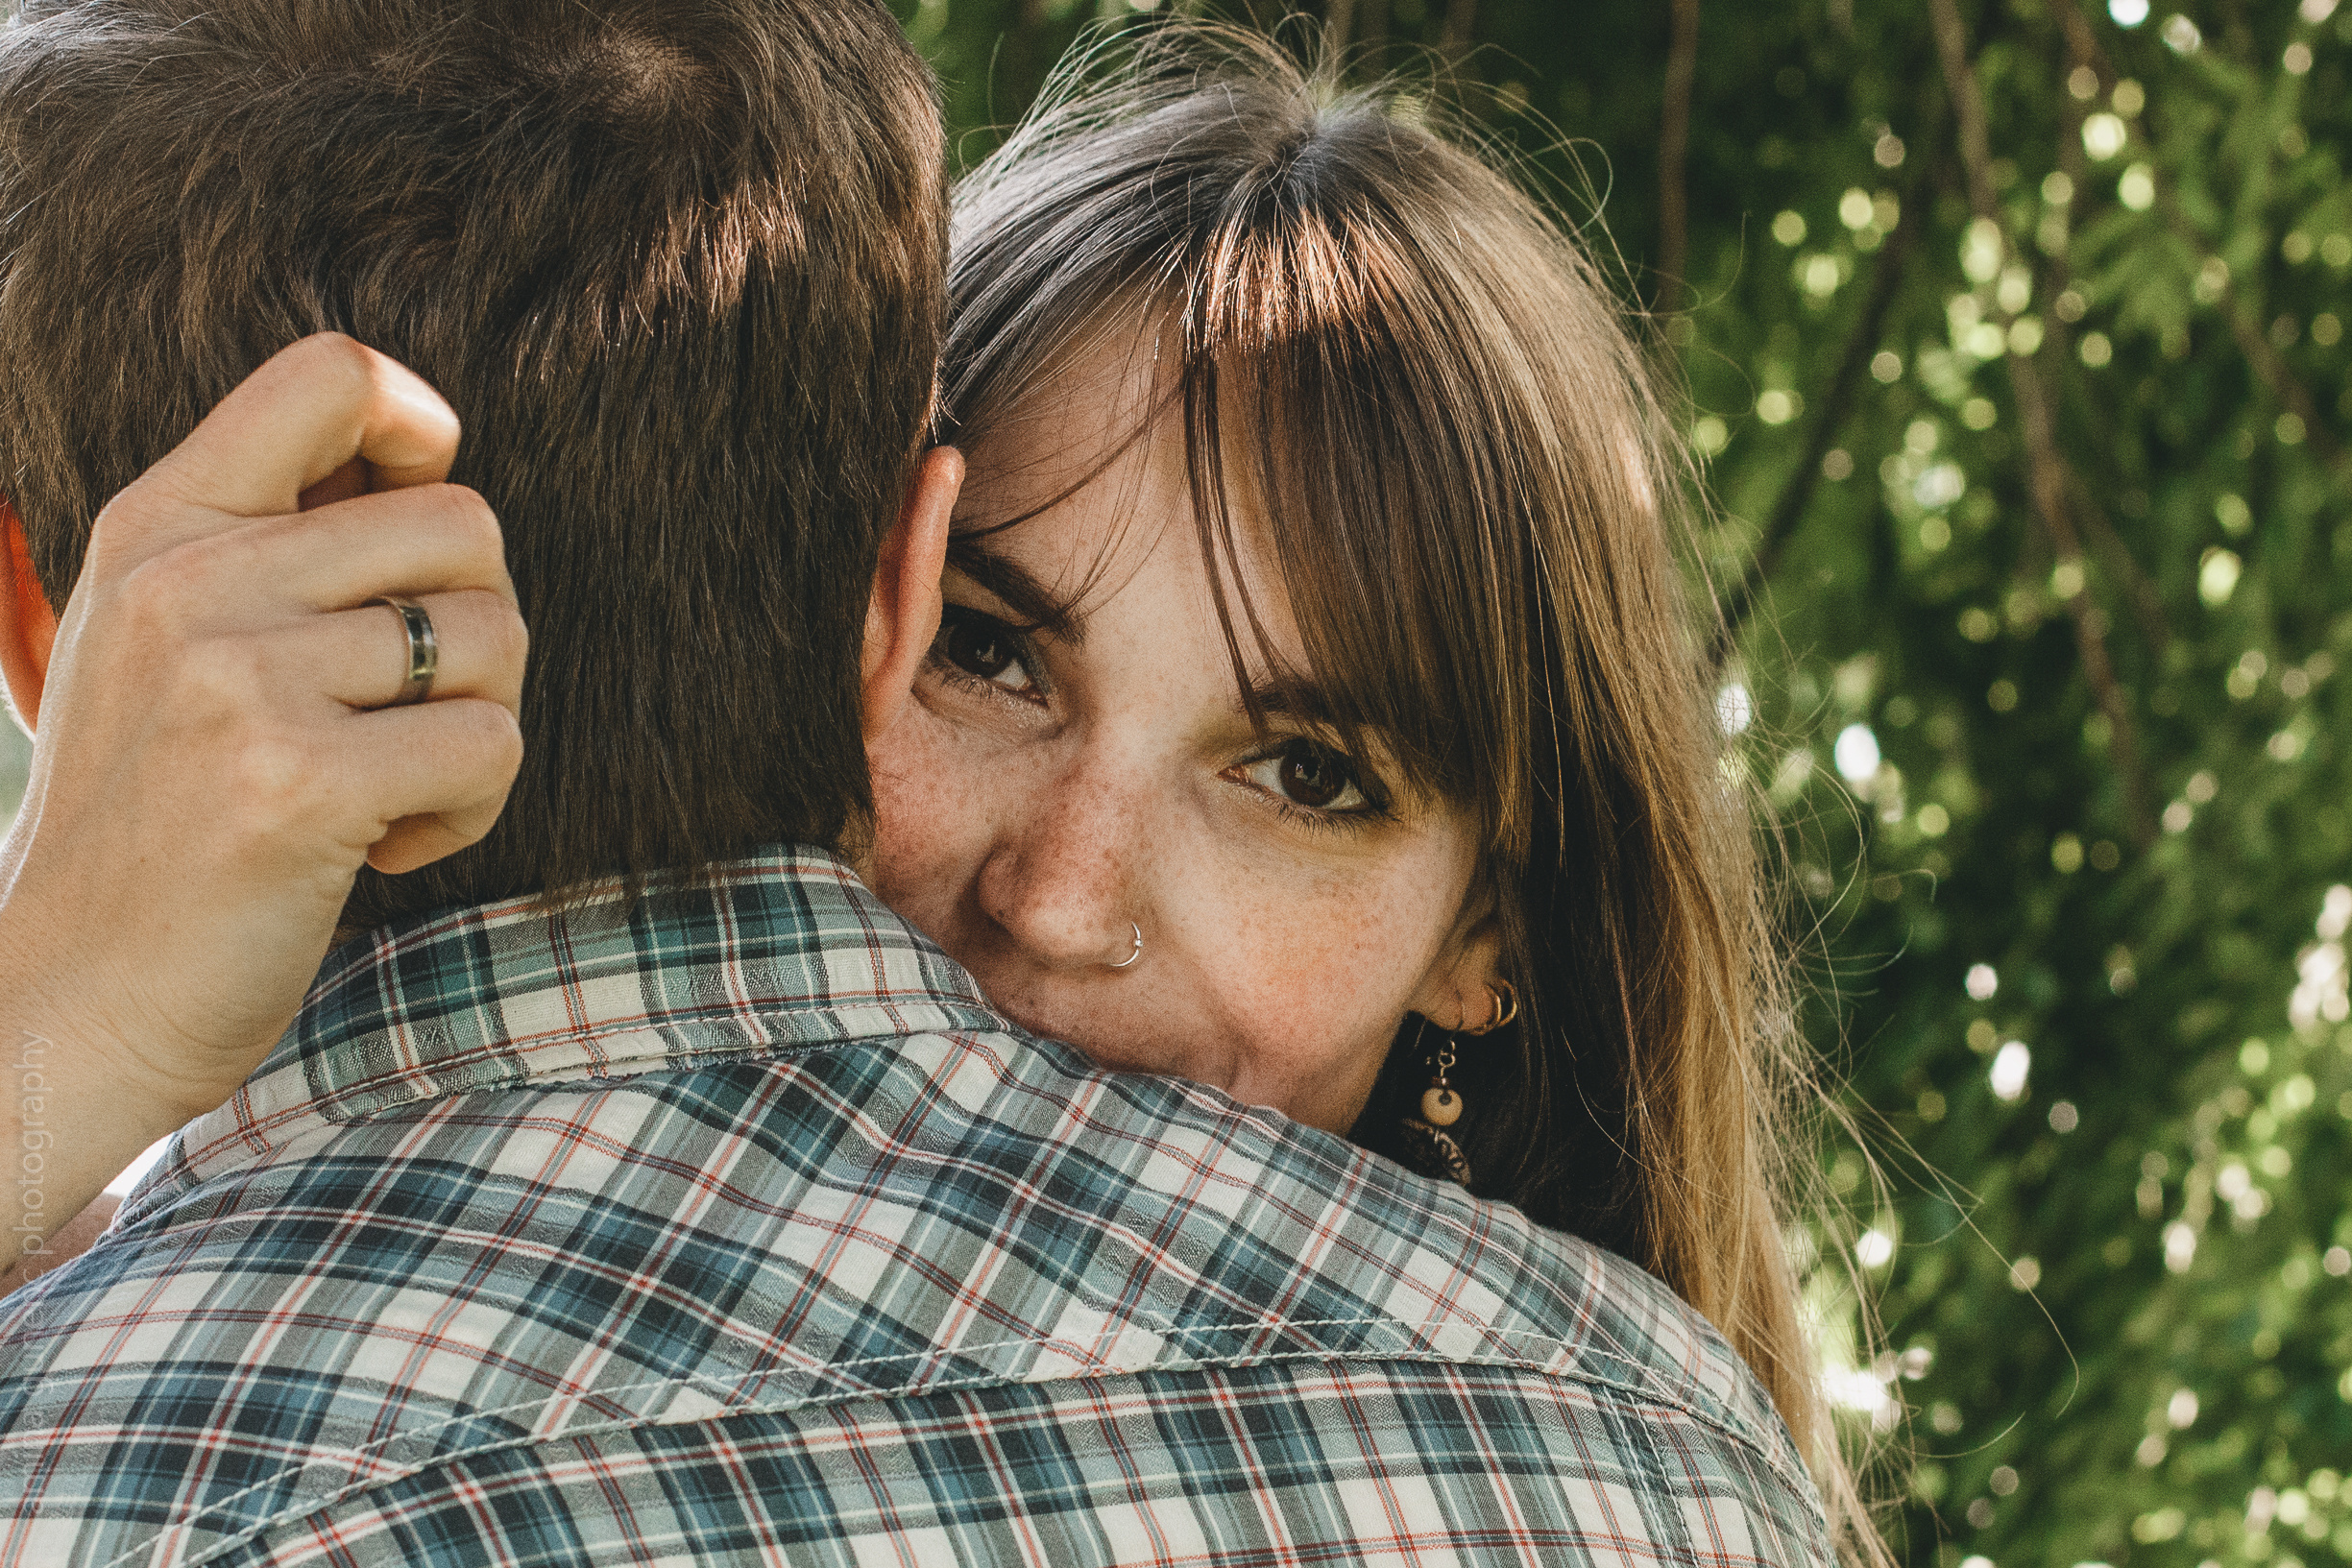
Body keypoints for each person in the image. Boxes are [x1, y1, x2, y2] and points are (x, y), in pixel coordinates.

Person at [0, 7, 1856, 1566]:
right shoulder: (1632, 1455)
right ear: (854, 595)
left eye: (1302, 774)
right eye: (994, 653)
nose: (1058, 893)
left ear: (1491, 936)